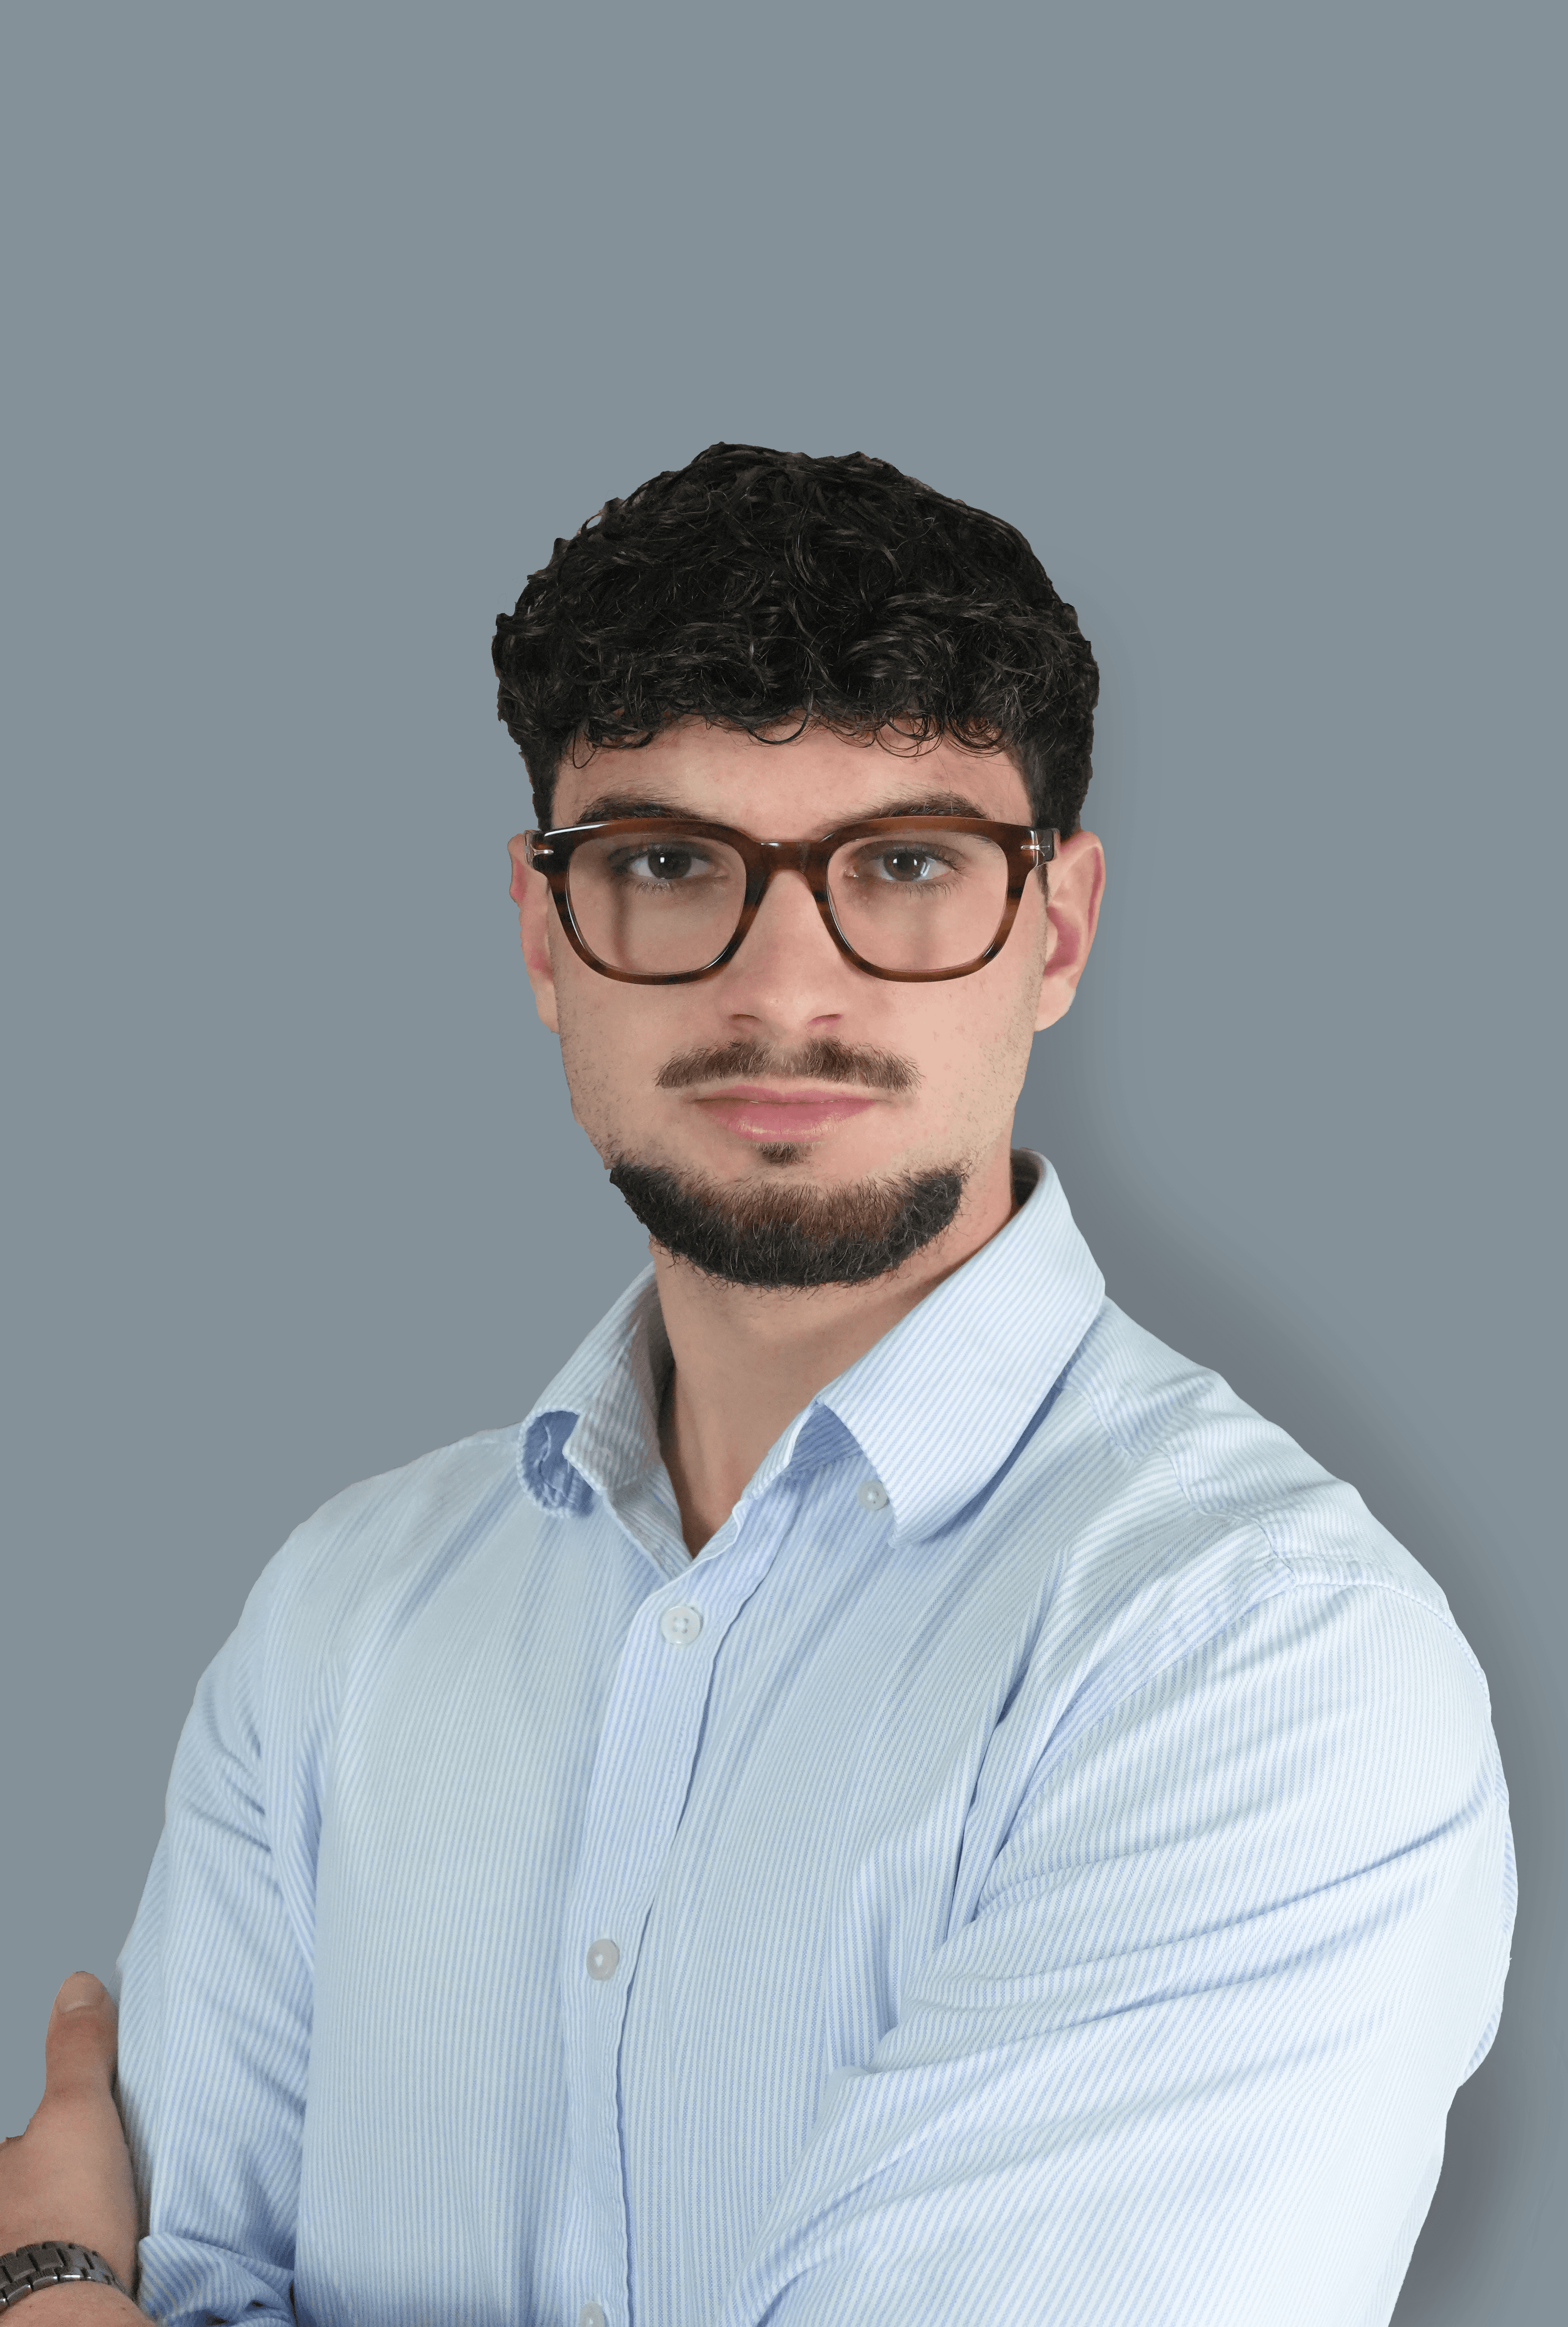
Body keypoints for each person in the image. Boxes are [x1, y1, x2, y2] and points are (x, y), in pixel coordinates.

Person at [0, 446, 1515, 2327]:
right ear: (546, 933)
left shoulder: (1257, 1658)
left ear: (1055, 929)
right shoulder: (338, 1619)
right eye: (664, 866)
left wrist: (53, 2294)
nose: (783, 986)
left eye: (900, 865)